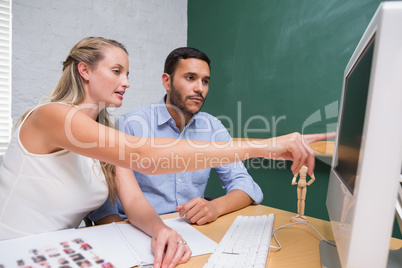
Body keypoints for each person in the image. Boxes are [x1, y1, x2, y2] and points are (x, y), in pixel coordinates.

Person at [0, 37, 331, 267]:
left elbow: (133, 199)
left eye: (128, 73)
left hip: (61, 251)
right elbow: (148, 155)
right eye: (117, 71)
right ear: (84, 70)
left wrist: (162, 231)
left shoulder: (107, 135)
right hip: (13, 251)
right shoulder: (52, 116)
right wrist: (266, 146)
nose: (126, 81)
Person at [90, 47, 264, 226]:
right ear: (167, 81)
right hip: (137, 227)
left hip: (193, 229)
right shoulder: (130, 125)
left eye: (205, 81)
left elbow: (245, 184)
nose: (199, 88)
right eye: (190, 78)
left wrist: (215, 207)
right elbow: (104, 207)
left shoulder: (212, 127)